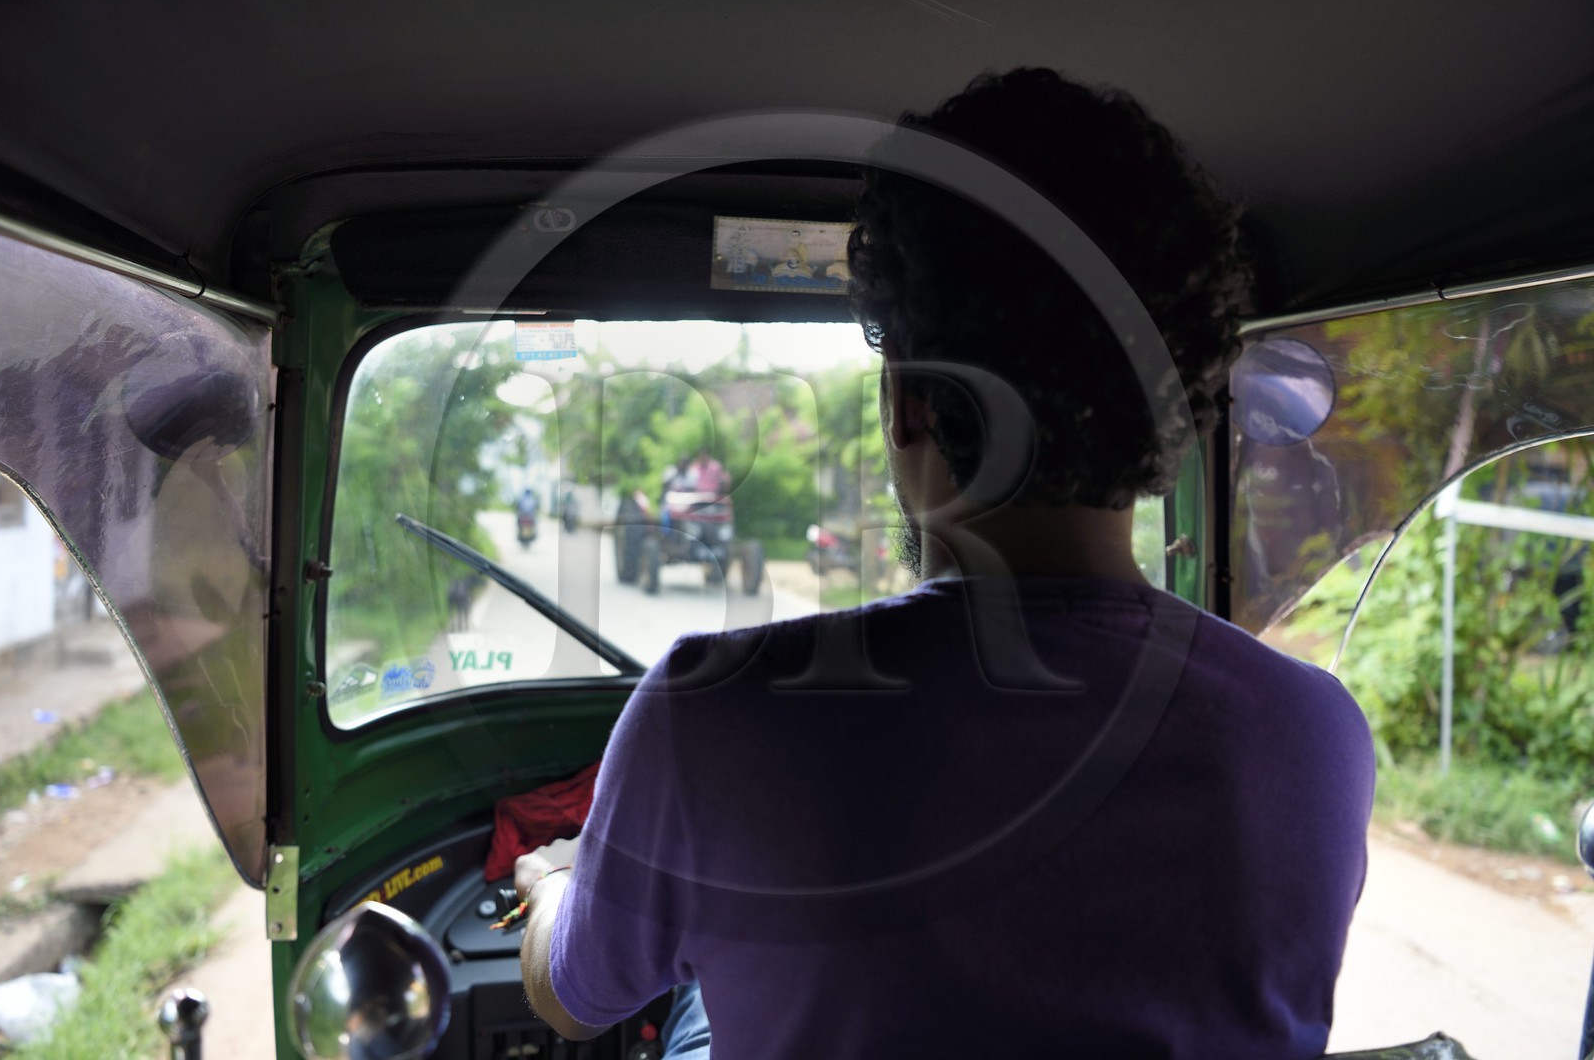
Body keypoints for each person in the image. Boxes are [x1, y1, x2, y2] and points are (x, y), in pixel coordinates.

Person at [516, 68, 1373, 1059]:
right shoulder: (1315, 735)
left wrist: (558, 885)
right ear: (1175, 412)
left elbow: (571, 994)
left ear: (906, 402)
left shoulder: (714, 715)